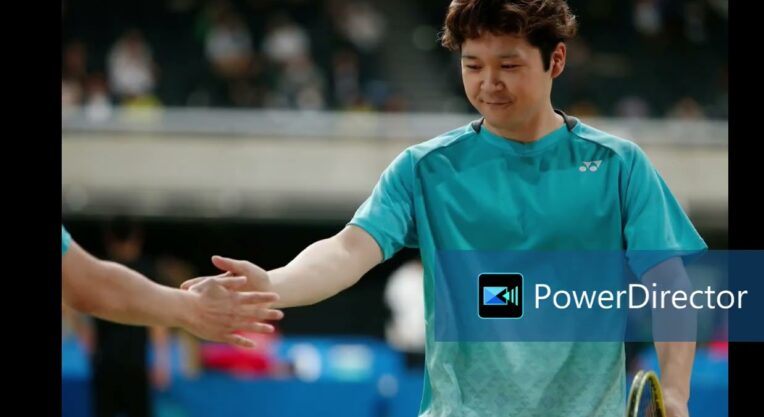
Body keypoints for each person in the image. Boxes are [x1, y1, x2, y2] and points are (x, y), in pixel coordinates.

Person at [182, 1, 705, 416]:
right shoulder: (425, 169)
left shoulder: (617, 166)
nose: (488, 83)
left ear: (556, 61)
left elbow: (670, 284)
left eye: (509, 65)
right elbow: (347, 250)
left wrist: (677, 394)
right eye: (472, 65)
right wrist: (270, 284)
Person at [62, 223, 284, 348]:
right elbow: (90, 286)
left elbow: (91, 286)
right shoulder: (133, 272)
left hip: (129, 357)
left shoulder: (144, 269)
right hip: (108, 357)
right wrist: (194, 307)